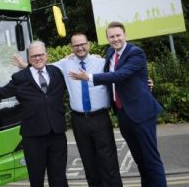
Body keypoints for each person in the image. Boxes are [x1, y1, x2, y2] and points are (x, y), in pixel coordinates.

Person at [13, 33, 122, 187]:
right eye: (76, 45)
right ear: (71, 48)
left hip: (100, 119)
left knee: (109, 163)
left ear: (89, 45)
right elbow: (40, 67)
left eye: (83, 44)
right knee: (89, 164)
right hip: (79, 121)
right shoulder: (65, 64)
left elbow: (121, 75)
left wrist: (146, 82)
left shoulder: (101, 62)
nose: (80, 48)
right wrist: (24, 65)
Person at [69, 21, 167, 187]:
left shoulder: (136, 53)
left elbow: (121, 75)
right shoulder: (110, 54)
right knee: (140, 160)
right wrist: (71, 56)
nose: (115, 39)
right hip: (123, 114)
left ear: (125, 35)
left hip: (141, 113)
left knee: (151, 160)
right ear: (107, 39)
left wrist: (89, 77)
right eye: (111, 36)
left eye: (118, 35)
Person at [0, 41, 69, 187]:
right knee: (36, 178)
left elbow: (75, 76)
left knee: (59, 177)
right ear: (29, 58)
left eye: (40, 55)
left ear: (46, 56)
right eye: (34, 56)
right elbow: (2, 92)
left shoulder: (56, 72)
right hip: (33, 137)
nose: (38, 58)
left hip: (57, 134)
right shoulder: (20, 78)